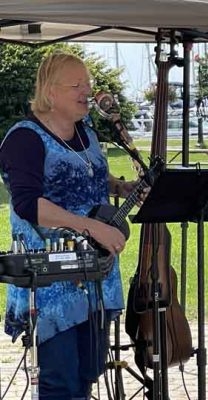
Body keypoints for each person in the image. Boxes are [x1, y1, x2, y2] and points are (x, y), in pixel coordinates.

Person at [0, 52, 141, 399]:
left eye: (89, 84)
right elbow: (28, 204)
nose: (87, 92)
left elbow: (87, 173)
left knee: (88, 372)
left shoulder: (86, 132)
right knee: (58, 380)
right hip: (50, 279)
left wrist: (119, 187)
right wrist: (90, 228)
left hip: (96, 270)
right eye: (76, 85)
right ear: (50, 92)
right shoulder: (25, 138)